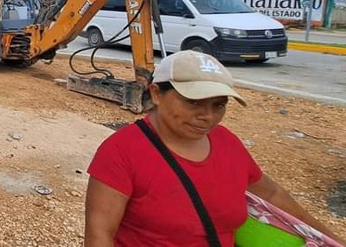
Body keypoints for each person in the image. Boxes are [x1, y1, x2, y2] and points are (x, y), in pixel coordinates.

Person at [84, 50, 343, 246]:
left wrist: (329, 239)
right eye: (193, 102)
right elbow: (99, 235)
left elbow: (272, 194)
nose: (207, 116)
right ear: (155, 94)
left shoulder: (227, 143)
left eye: (218, 105)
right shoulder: (121, 152)